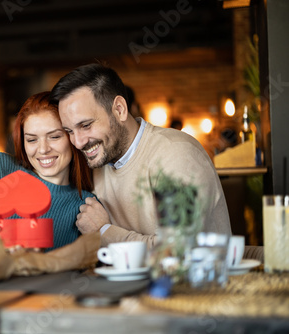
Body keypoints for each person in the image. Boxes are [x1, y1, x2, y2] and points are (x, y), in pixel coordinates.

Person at [50, 63, 231, 248]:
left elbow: (176, 252)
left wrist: (103, 231)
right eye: (69, 131)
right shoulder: (98, 162)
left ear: (119, 109)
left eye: (86, 125)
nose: (78, 142)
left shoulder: (176, 155)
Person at [0, 91, 94, 250]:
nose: (43, 149)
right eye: (32, 140)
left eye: (54, 137)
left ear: (72, 137)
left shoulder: (85, 206)